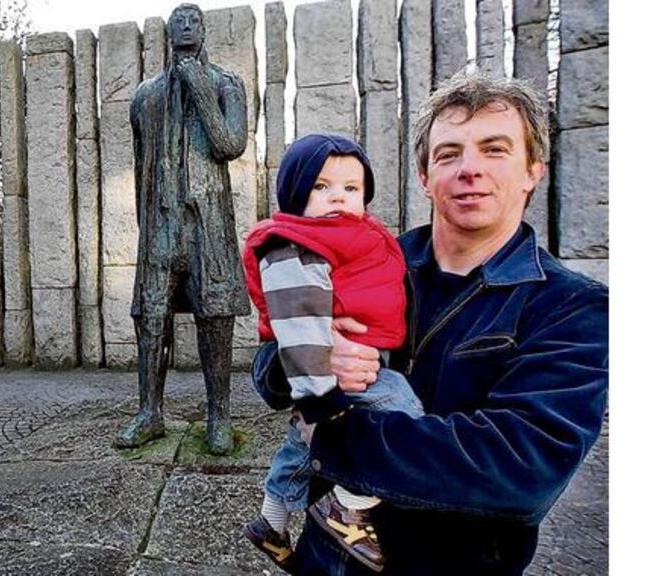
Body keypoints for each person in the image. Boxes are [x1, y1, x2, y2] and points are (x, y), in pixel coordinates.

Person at [260, 72, 608, 575]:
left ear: (534, 169)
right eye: (448, 154)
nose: (470, 169)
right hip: (322, 556)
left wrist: (330, 439)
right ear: (424, 175)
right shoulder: (369, 262)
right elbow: (268, 368)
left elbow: (521, 468)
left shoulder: (572, 307)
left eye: (494, 149)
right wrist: (307, 357)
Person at [240, 134, 424, 573]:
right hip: (340, 373)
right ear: (294, 195)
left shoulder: (358, 235)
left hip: (353, 361)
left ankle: (272, 520)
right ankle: (349, 505)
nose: (338, 197)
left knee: (301, 446)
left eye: (351, 188)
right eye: (320, 187)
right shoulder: (293, 243)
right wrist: (319, 396)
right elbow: (298, 324)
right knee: (404, 411)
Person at [114, 3, 250, 455]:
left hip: (208, 221)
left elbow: (230, 144)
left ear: (204, 29)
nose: (186, 25)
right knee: (150, 316)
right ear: (168, 33)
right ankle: (149, 413)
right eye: (178, 20)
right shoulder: (146, 96)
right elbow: (140, 165)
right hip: (160, 221)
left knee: (216, 316)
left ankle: (219, 415)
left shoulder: (227, 84)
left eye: (194, 19)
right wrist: (147, 223)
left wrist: (200, 90)